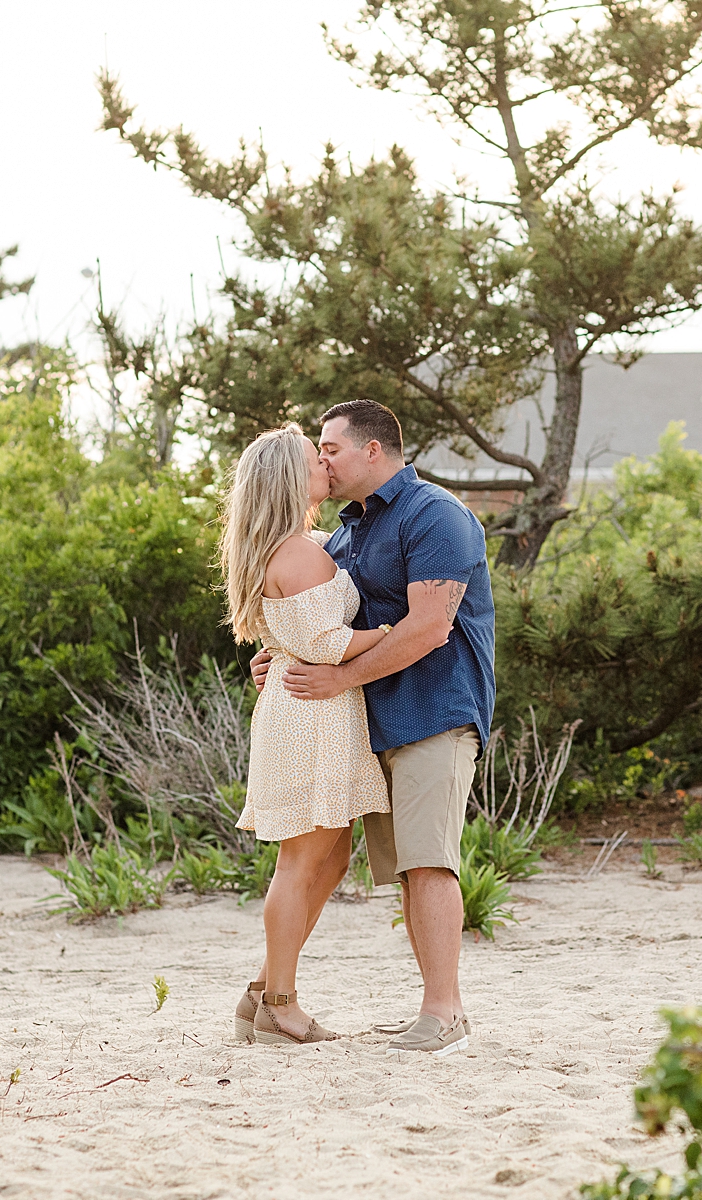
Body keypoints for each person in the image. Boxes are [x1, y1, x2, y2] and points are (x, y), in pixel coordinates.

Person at [252, 399, 496, 1058]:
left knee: (429, 861)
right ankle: (276, 993)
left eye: (329, 448)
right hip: (372, 722)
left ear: (371, 450)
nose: (322, 460)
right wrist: (279, 654)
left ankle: (443, 1014)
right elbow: (318, 620)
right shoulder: (345, 534)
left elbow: (431, 626)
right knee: (403, 870)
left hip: (435, 710)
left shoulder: (436, 515)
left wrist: (336, 678)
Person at [219, 423, 392, 1047]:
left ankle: (261, 991)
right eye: (312, 458)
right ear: (291, 479)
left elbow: (296, 634)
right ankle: (281, 1004)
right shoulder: (298, 552)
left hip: (313, 710)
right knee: (300, 860)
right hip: (312, 717)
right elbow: (331, 642)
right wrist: (404, 632)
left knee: (332, 853)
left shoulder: (304, 544)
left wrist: (277, 653)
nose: (325, 462)